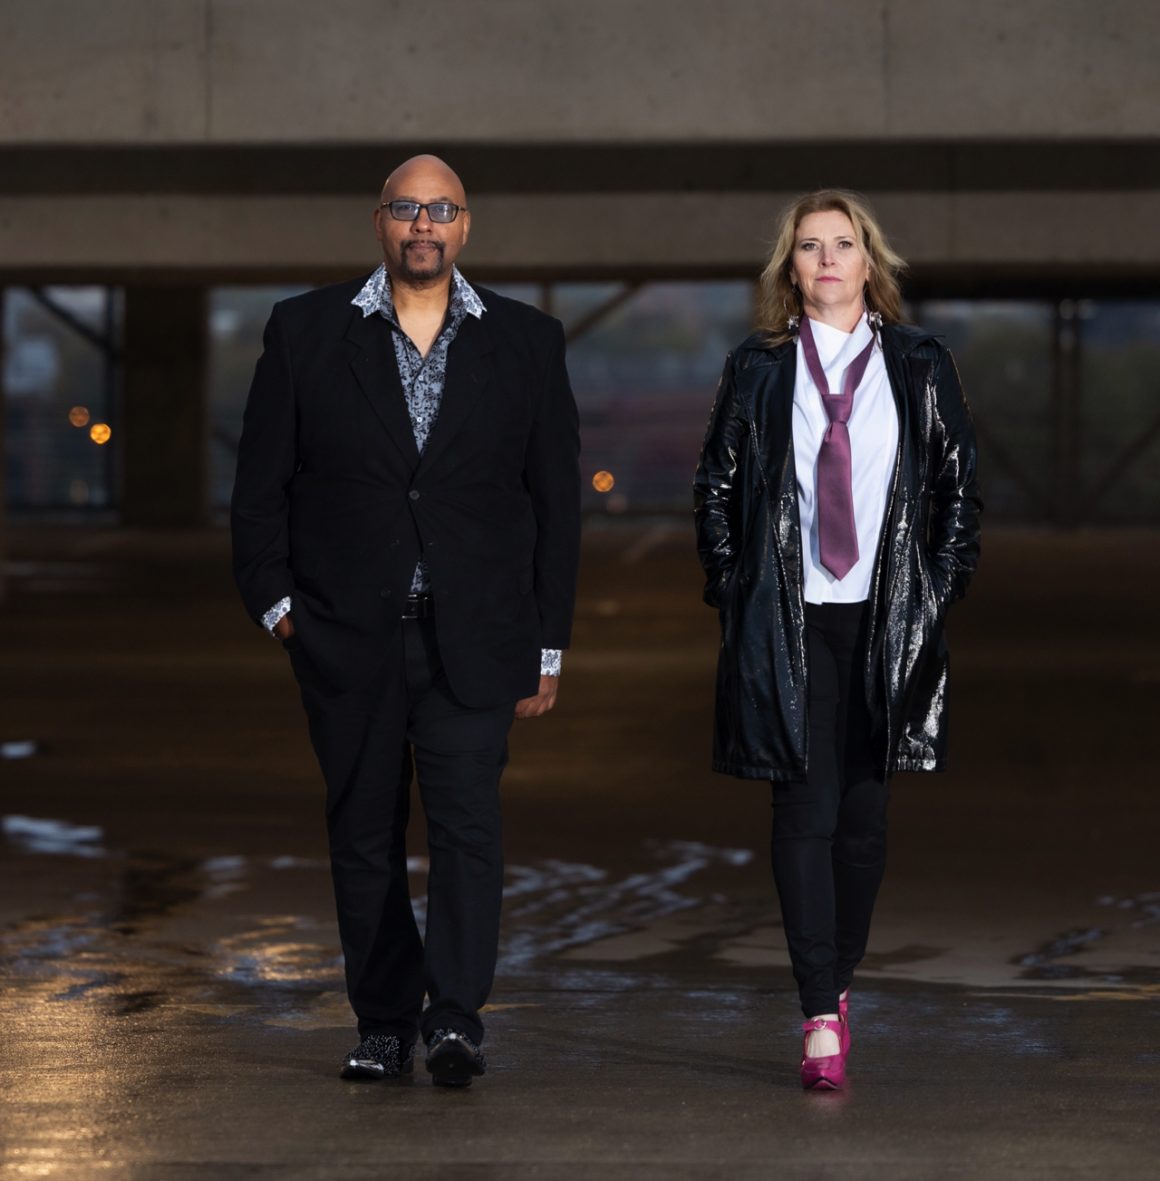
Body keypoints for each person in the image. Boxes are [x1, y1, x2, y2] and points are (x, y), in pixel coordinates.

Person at [231, 155, 581, 1087]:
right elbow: (258, 490)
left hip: (478, 636)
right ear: (379, 221)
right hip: (346, 637)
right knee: (363, 833)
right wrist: (282, 611)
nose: (423, 223)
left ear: (466, 226)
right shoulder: (304, 331)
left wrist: (548, 643)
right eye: (405, 207)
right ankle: (384, 1021)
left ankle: (455, 1018)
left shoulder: (527, 341)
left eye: (441, 208)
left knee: (469, 830)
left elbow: (556, 505)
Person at [693, 190, 980, 1090]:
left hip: (884, 617)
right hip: (791, 617)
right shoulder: (757, 366)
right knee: (802, 813)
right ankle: (818, 1008)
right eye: (809, 245)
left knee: (862, 821)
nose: (826, 259)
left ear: (869, 262)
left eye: (843, 244)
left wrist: (936, 591)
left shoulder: (920, 363)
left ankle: (840, 977)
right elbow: (714, 488)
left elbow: (958, 487)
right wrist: (736, 592)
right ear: (791, 266)